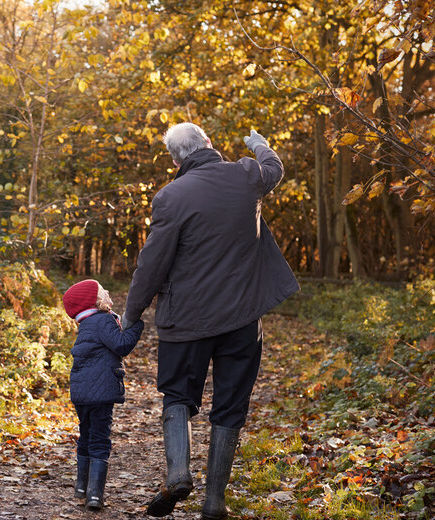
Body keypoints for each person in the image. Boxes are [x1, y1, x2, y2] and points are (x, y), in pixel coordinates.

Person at [119, 123, 299, 519]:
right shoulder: (246, 175)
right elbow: (274, 168)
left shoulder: (170, 197)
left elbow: (151, 264)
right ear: (208, 144)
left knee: (178, 395)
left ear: (175, 158)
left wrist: (132, 313)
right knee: (231, 405)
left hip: (187, 321)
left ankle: (179, 472)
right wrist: (259, 144)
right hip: (242, 319)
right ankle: (214, 501)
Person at [62, 279, 144, 511]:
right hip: (101, 392)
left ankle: (81, 487)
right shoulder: (103, 320)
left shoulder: (87, 324)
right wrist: (137, 325)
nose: (108, 293)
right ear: (95, 302)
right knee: (100, 439)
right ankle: (95, 495)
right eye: (103, 292)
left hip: (81, 391)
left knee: (86, 435)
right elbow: (121, 345)